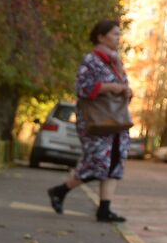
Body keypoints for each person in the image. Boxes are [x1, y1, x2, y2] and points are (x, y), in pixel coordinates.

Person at [47, 19, 132, 223]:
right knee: (98, 162)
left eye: (119, 34)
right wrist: (110, 88)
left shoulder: (116, 62)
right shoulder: (91, 60)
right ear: (101, 37)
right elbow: (82, 88)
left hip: (116, 121)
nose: (118, 38)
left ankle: (104, 209)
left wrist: (126, 91)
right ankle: (60, 190)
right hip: (96, 122)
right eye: (114, 34)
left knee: (114, 164)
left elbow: (121, 88)